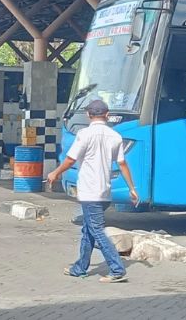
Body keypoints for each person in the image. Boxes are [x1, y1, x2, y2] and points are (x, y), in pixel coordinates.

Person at [47, 99, 138, 283]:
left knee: (96, 229)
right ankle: (79, 267)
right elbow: (122, 164)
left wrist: (56, 172)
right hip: (105, 192)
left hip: (90, 191)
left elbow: (71, 159)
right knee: (88, 229)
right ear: (107, 115)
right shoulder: (115, 136)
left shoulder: (84, 134)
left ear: (89, 115)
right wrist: (132, 188)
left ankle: (117, 268)